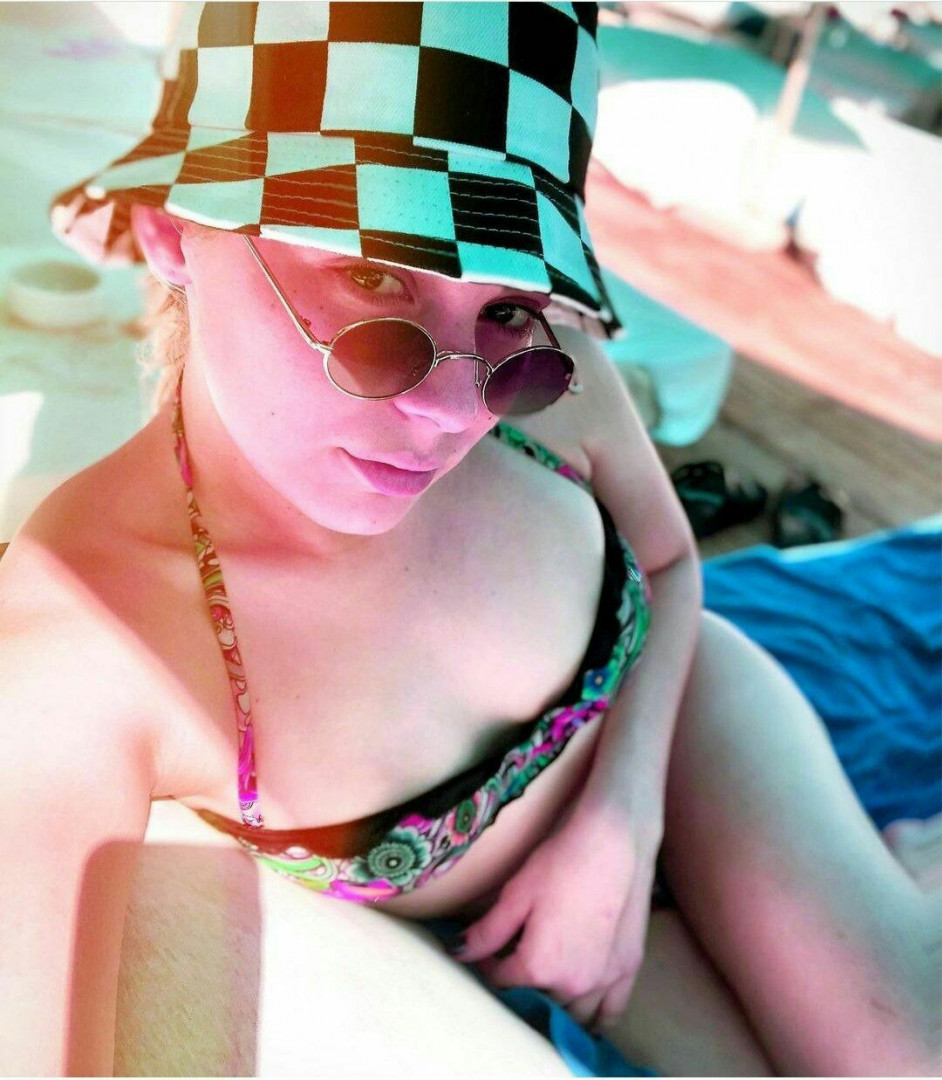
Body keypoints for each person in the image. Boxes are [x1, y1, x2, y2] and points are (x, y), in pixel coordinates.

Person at [1, 2, 937, 1076]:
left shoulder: (548, 372)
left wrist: (621, 822)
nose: (454, 412)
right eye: (373, 280)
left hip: (687, 721)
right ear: (177, 230)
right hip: (515, 921)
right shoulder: (87, 646)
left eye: (508, 307)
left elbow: (671, 560)